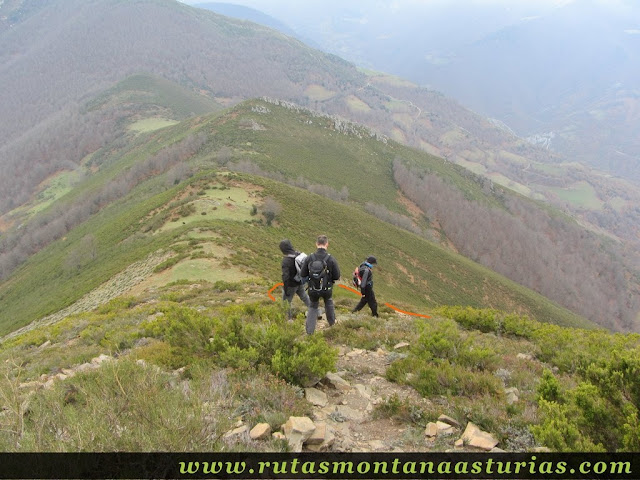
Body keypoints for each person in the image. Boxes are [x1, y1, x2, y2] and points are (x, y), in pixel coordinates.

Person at [300, 235, 340, 334]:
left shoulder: (310, 258)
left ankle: (310, 332)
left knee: (313, 307)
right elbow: (336, 275)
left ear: (316, 244)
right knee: (328, 303)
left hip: (313, 288)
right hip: (327, 288)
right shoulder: (330, 258)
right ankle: (332, 324)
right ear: (327, 244)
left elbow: (303, 274)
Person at [279, 239, 311, 320]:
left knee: (286, 302)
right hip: (300, 281)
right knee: (305, 297)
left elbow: (285, 276)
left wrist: (285, 288)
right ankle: (316, 312)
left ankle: (288, 319)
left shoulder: (286, 261)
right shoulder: (298, 254)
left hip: (291, 284)